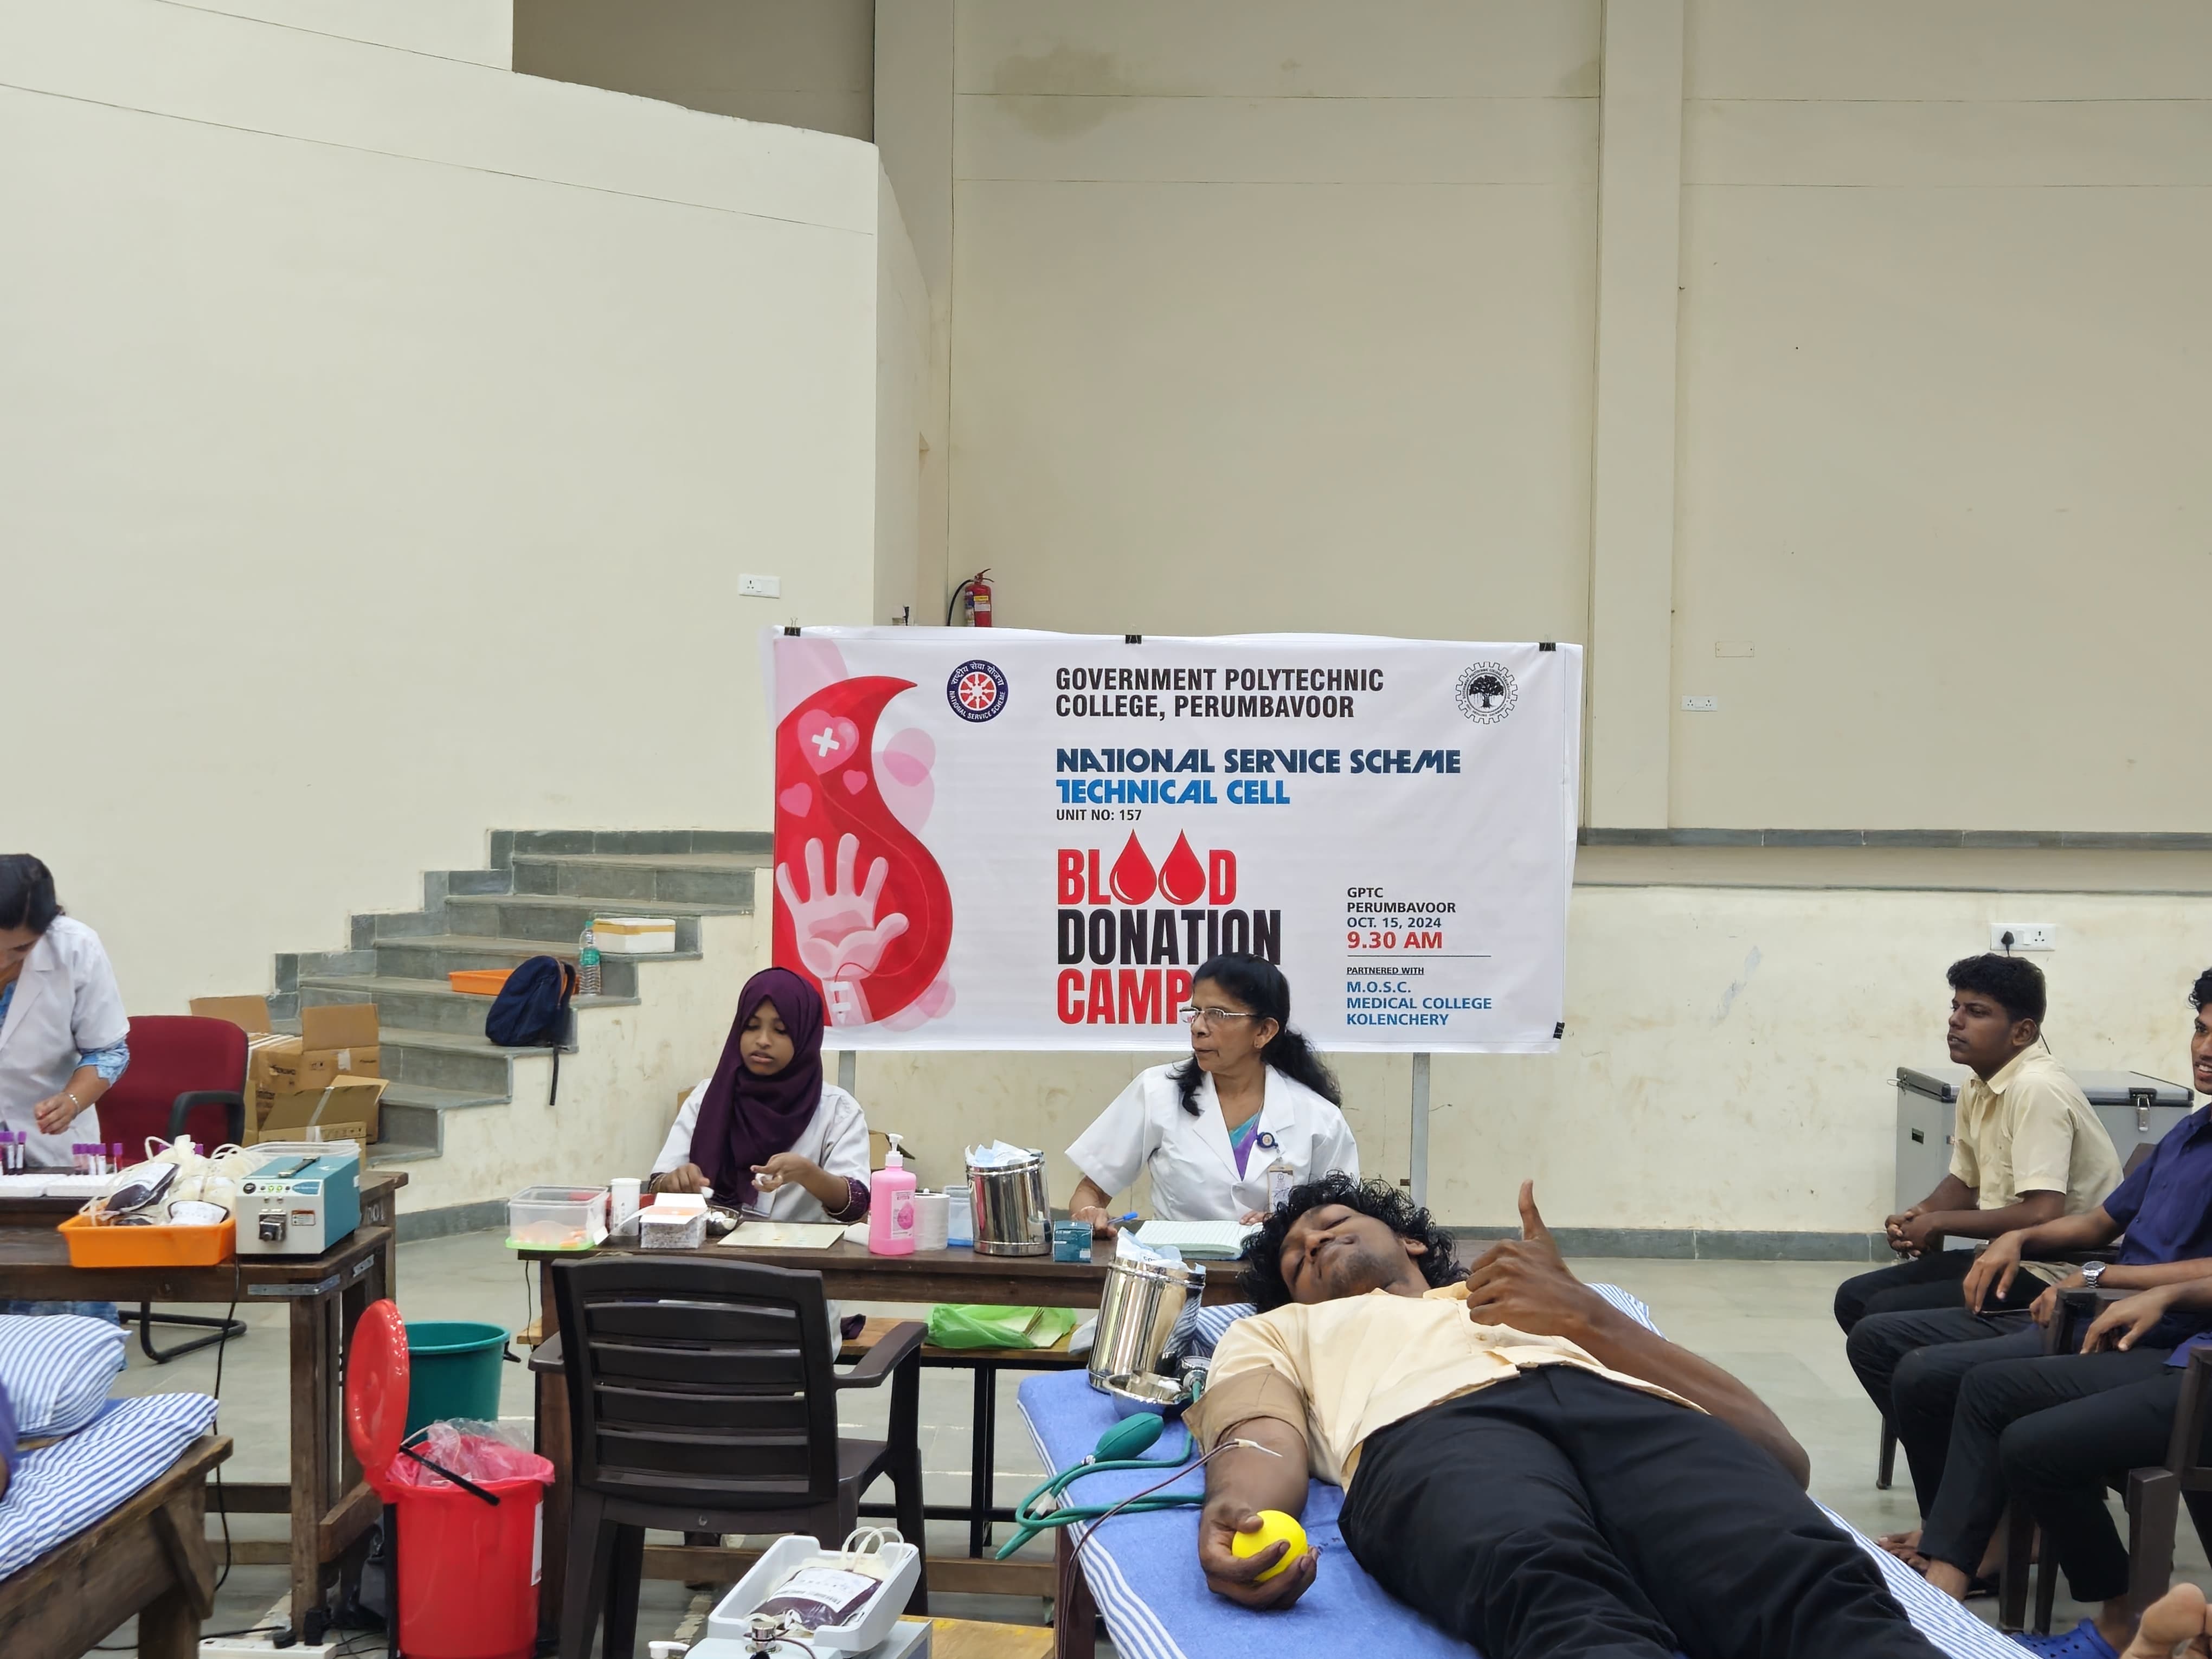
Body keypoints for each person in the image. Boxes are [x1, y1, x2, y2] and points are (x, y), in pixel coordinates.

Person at [1184, 1172, 1944, 1659]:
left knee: (1798, 1573)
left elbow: (1781, 1458)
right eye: (1296, 1259)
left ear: (1410, 1239)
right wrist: (1237, 1509)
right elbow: (1261, 1430)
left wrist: (1587, 1314)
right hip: (1430, 1434)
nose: (1314, 1241)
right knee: (1551, 1592)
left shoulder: (1542, 1299)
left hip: (1626, 1413)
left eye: (1332, 1220)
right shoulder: (1277, 1331)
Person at [1905, 968, 2212, 1645]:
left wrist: (2117, 1279)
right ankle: (1950, 1586)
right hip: (2123, 1323)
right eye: (2201, 1028)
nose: (2204, 1047)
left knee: (2013, 1421)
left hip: (2183, 1352)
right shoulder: (2192, 1133)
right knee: (1972, 1391)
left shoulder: (2040, 1089)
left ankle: (1975, 1593)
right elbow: (2102, 1221)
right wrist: (2021, 1237)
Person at [1835, 953, 2121, 1336]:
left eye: (1976, 1012)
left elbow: (2043, 1214)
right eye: (1955, 1007)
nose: (1955, 1021)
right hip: (2004, 1255)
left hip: (2056, 1268)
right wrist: (1920, 1216)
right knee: (1854, 1298)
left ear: (2022, 1033)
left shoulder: (2037, 1089)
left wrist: (1940, 1222)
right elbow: (1965, 1181)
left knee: (1884, 1317)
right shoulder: (1978, 1084)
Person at [1065, 953, 1356, 1234]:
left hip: (1277, 1266)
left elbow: (1345, 1219)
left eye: (1218, 1014)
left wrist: (1290, 1225)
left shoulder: (1319, 1118)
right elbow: (1091, 1192)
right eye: (1195, 1012)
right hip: (1175, 1264)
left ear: (1264, 1031)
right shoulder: (1157, 1091)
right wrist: (1090, 1214)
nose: (1198, 1027)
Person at [0, 857, 130, 1322]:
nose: (3, 962)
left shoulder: (75, 949)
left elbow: (109, 1051)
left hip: (51, 1153)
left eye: (20, 949)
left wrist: (71, 1101)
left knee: (56, 1303)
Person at [650, 967, 869, 1226]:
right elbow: (658, 1184)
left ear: (805, 1036)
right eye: (752, 1027)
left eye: (781, 1030)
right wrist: (676, 1182)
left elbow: (855, 1206)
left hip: (798, 1250)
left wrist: (808, 1173)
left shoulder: (837, 1110)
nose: (763, 1040)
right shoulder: (707, 1099)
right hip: (710, 1246)